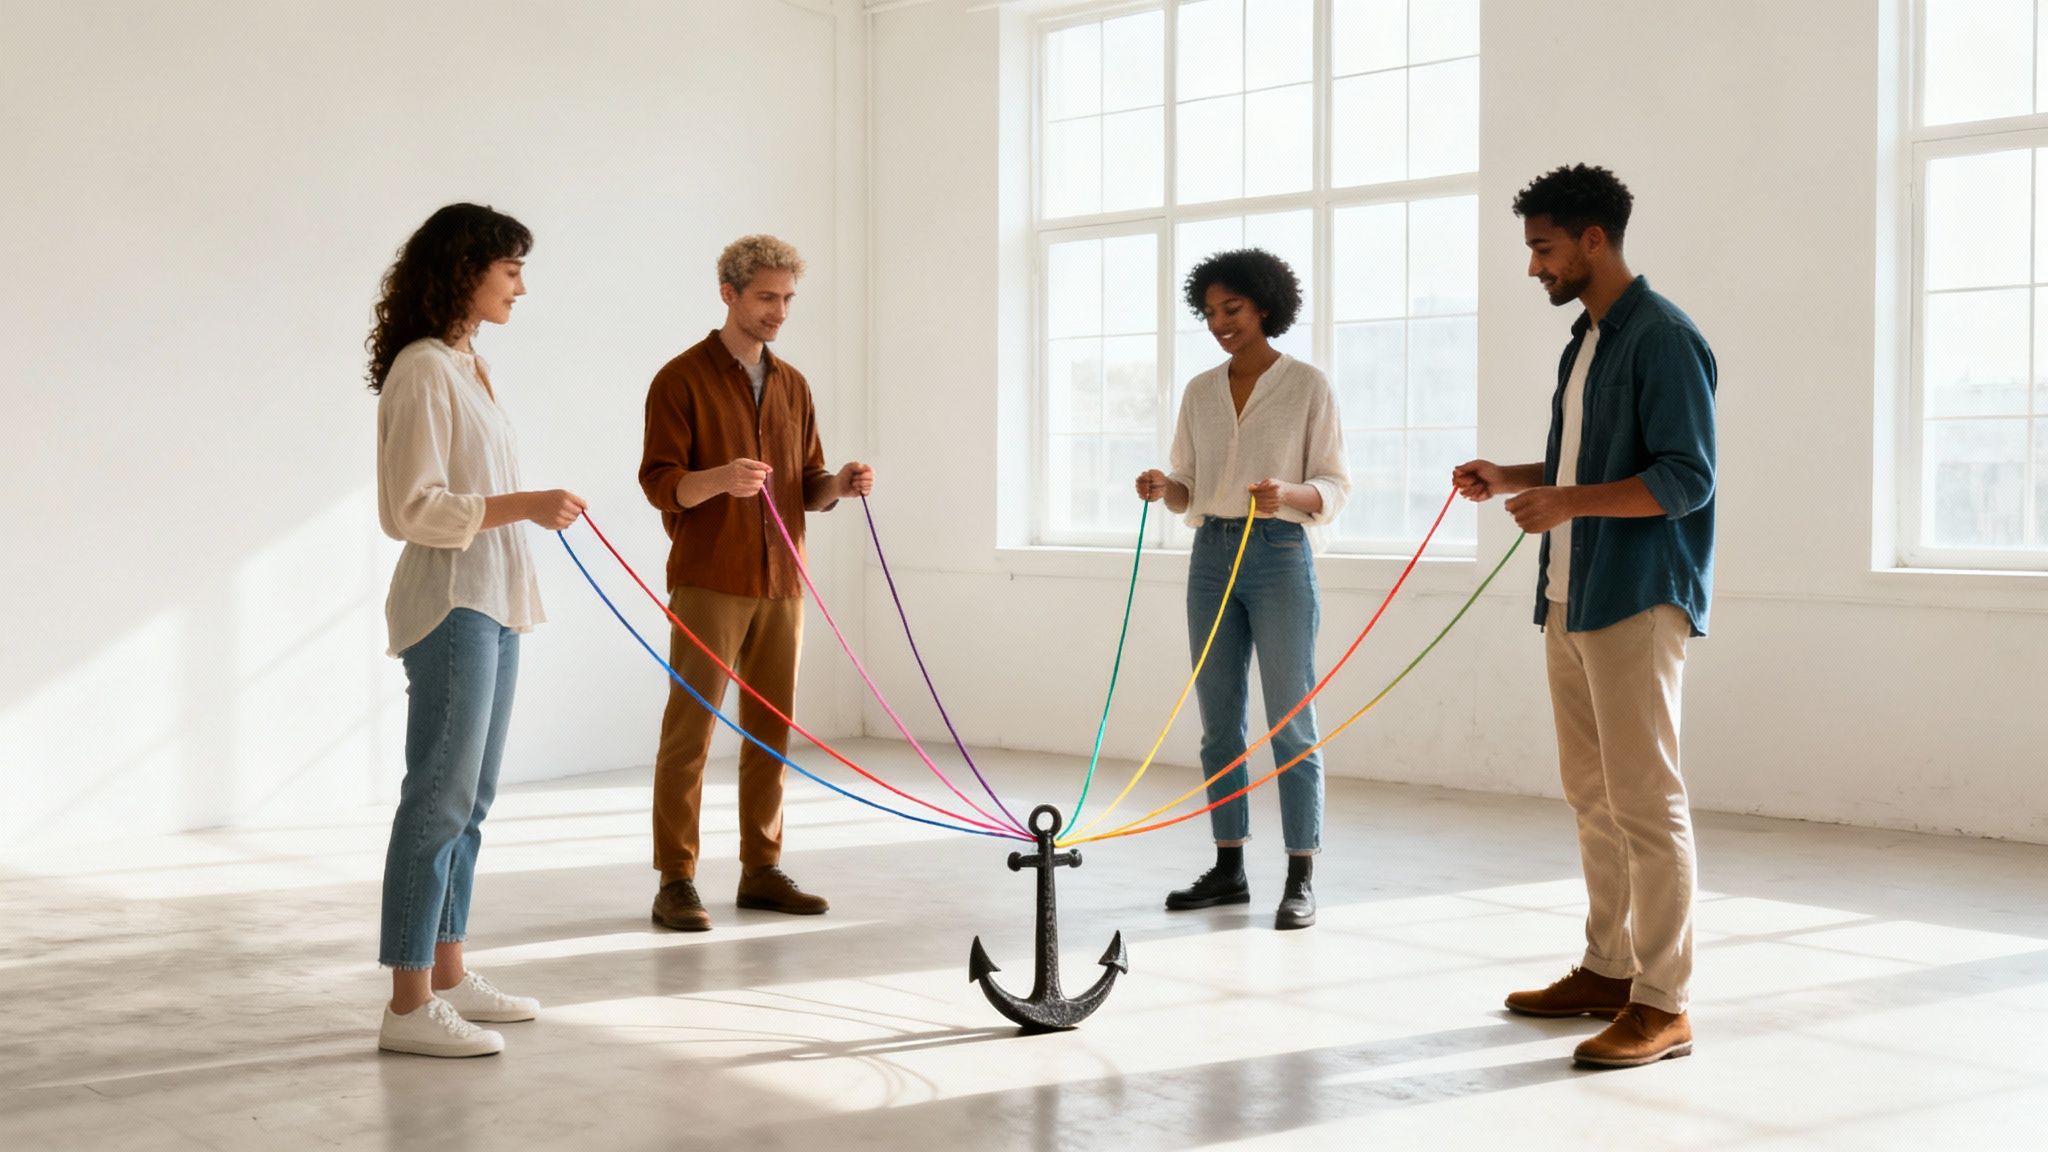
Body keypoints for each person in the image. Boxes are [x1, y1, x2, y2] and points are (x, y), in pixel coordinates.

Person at [1453, 163, 1717, 1068]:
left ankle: (1664, 1001)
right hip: (1569, 595)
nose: (1534, 267)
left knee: (1648, 803)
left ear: (1593, 241)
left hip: (1637, 598)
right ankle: (1609, 969)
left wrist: (1565, 504)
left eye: (1543, 248)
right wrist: (1518, 478)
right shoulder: (1587, 340)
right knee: (1594, 798)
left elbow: (1687, 480)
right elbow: (1584, 456)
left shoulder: (1665, 338)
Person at [367, 203, 586, 1057]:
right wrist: (524, 506)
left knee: (473, 801)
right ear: (467, 270)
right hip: (452, 604)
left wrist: (526, 515)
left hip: (494, 601)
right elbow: (408, 509)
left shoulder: (469, 365)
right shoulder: (423, 370)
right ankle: (408, 1004)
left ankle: (450, 974)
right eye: (511, 270)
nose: (521, 286)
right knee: (438, 799)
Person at [638, 235, 874, 932]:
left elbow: (807, 485)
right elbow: (659, 484)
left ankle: (761, 869)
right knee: (690, 735)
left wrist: (840, 485)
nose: (779, 311)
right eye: (767, 297)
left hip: (784, 582)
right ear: (729, 294)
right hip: (710, 579)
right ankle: (675, 879)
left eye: (787, 299)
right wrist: (720, 480)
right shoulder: (679, 379)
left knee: (771, 733)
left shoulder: (794, 383)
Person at [1134, 248, 1350, 931]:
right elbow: (1188, 489)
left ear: (1265, 305)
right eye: (1210, 313)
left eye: (1232, 309)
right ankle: (1228, 868)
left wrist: (1288, 492)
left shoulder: (1309, 385)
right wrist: (1164, 489)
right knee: (1218, 723)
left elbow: (1336, 487)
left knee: (1292, 722)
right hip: (1211, 553)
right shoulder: (1200, 390)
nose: (1221, 323)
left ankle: (1300, 874)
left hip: (1281, 554)